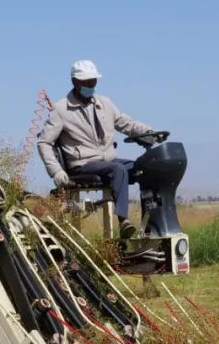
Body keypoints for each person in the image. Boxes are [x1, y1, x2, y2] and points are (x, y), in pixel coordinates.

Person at [37, 59, 154, 238]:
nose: (92, 85)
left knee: (146, 168)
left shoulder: (105, 103)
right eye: (87, 82)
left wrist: (148, 132)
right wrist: (56, 172)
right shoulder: (61, 109)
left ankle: (149, 226)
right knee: (118, 169)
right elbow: (44, 142)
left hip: (107, 161)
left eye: (94, 81)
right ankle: (124, 221)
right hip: (83, 164)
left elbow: (126, 124)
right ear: (75, 82)